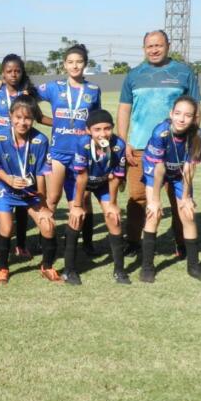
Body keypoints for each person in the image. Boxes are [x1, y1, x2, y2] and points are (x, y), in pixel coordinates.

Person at [117, 30, 201, 258]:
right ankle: (133, 241)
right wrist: (124, 141)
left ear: (168, 46)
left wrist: (191, 142)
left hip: (176, 149)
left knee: (178, 198)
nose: (154, 50)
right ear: (144, 48)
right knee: (138, 198)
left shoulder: (183, 72)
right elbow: (124, 109)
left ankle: (182, 243)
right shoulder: (134, 75)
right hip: (140, 148)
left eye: (158, 45)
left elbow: (195, 110)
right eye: (150, 46)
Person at [0, 54, 50, 260]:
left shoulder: (27, 94)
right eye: (9, 71)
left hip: (23, 150)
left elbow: (38, 117)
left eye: (17, 71)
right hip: (0, 151)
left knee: (24, 194)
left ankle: (20, 244)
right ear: (2, 73)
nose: (13, 74)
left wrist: (65, 123)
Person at [140, 96, 201, 284]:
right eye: (178, 113)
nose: (182, 119)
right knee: (154, 214)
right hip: (156, 170)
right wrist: (155, 200)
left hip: (180, 172)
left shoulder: (198, 135)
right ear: (171, 114)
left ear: (194, 118)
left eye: (188, 115)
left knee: (188, 214)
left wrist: (186, 197)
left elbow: (190, 167)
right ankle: (147, 267)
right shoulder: (161, 132)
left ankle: (194, 267)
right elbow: (159, 169)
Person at [35, 44, 102, 257]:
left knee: (83, 200)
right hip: (58, 153)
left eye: (79, 62)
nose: (75, 66)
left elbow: (97, 120)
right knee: (52, 198)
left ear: (85, 64)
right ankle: (45, 241)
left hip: (82, 154)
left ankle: (87, 243)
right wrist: (43, 119)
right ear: (64, 64)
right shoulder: (54, 87)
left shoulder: (93, 90)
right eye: (70, 62)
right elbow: (27, 93)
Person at [0, 95, 56, 285]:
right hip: (5, 190)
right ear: (10, 116)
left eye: (27, 118)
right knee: (7, 228)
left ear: (34, 119)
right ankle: (3, 268)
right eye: (18, 117)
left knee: (48, 225)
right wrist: (9, 179)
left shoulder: (40, 140)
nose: (22, 122)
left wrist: (43, 204)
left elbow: (41, 174)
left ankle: (47, 266)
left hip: (30, 194)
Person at [60, 110, 130, 285]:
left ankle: (119, 270)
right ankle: (69, 270)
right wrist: (77, 206)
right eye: (97, 129)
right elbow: (82, 176)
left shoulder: (119, 145)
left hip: (103, 182)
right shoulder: (82, 144)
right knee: (77, 217)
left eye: (107, 128)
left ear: (113, 128)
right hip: (79, 181)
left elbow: (116, 177)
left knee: (113, 217)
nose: (103, 133)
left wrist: (112, 203)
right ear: (88, 130)